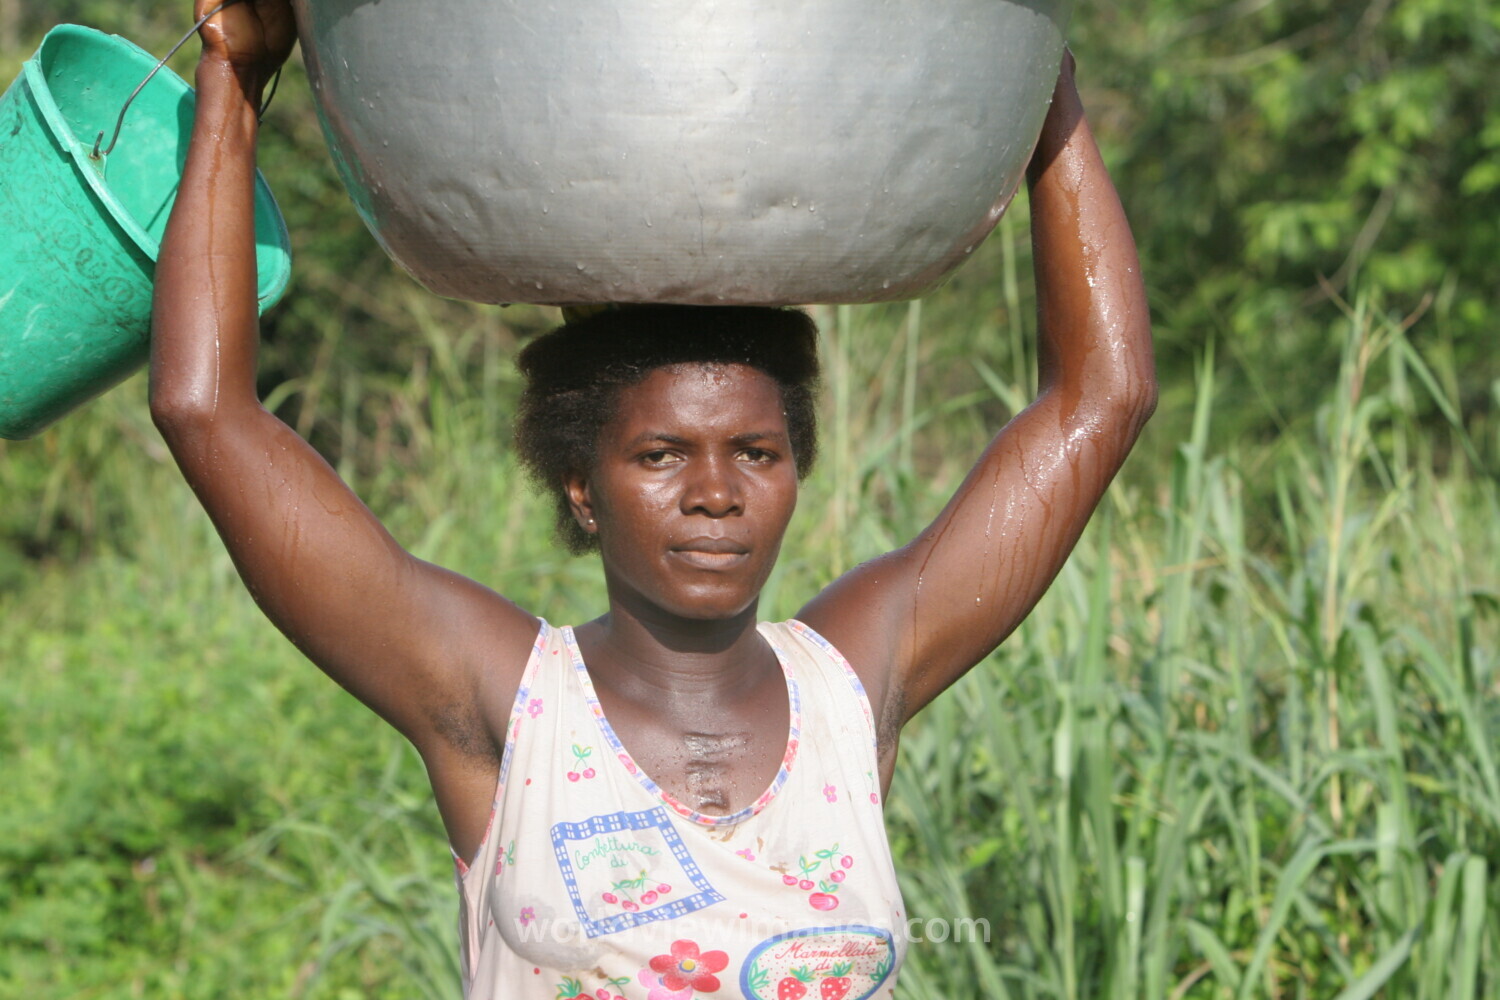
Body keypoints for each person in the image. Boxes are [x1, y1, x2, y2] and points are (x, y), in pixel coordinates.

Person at [149, 1, 1156, 997]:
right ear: (581, 485)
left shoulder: (850, 688)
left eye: (757, 452)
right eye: (662, 456)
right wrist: (232, 86)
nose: (716, 494)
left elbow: (1105, 398)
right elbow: (208, 414)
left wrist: (1033, 73)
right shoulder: (505, 702)